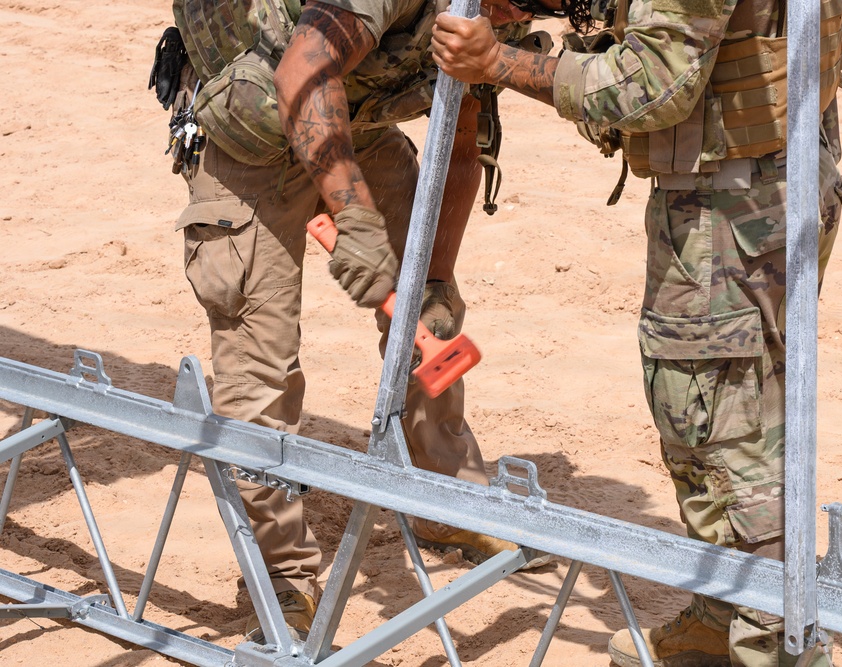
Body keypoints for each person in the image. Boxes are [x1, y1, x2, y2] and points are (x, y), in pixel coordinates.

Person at [430, 0, 842, 665]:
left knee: (722, 432)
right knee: (741, 411)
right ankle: (725, 617)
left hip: (730, 209)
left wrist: (498, 62)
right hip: (770, 184)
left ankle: (769, 644)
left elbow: (653, 84)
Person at [165, 0, 556, 643]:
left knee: (433, 317)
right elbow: (300, 73)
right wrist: (356, 219)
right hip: (252, 135)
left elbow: (458, 143)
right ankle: (280, 572)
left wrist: (431, 281)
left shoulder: (497, 18)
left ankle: (447, 499)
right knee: (260, 361)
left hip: (357, 126)